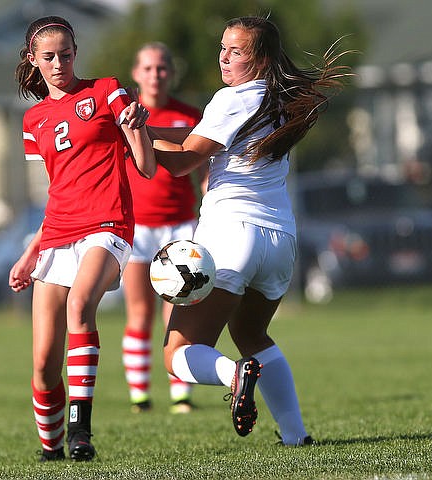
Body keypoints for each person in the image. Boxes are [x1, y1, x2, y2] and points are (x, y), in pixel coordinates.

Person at [150, 16, 352, 444]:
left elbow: (183, 160)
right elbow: (199, 136)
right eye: (222, 47)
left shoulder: (232, 98)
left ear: (260, 59)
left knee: (176, 354)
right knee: (250, 334)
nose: (223, 57)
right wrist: (147, 129)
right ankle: (296, 436)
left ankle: (233, 375)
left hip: (230, 235)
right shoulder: (284, 99)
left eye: (236, 51)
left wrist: (132, 138)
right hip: (279, 239)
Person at [10, 15, 155, 462]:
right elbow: (55, 194)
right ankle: (51, 449)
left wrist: (137, 123)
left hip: (108, 224)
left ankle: (80, 430)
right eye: (49, 57)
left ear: (77, 54)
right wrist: (30, 251)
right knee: (42, 362)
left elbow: (146, 166)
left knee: (80, 305)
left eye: (67, 55)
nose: (59, 64)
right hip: (57, 232)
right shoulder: (33, 120)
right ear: (33, 61)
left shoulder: (107, 90)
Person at [120, 42, 204, 415]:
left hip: (180, 227)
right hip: (137, 226)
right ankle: (140, 397)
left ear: (171, 72)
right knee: (139, 313)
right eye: (148, 68)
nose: (156, 74)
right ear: (137, 74)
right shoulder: (123, 116)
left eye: (162, 68)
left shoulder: (189, 115)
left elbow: (203, 170)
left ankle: (180, 395)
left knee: (178, 312)